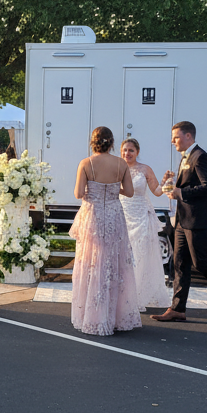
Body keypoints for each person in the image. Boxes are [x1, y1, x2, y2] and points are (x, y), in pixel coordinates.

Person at [152, 121, 207, 323]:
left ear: (188, 137)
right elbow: (186, 187)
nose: (172, 141)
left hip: (197, 220)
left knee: (200, 262)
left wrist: (182, 192)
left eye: (176, 137)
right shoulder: (187, 156)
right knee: (179, 263)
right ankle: (177, 308)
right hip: (183, 220)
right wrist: (172, 189)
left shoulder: (200, 157)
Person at [69, 126, 141, 335]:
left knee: (91, 261)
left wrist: (95, 188)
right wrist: (111, 188)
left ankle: (92, 315)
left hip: (92, 215)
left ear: (93, 142)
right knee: (114, 262)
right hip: (113, 214)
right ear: (111, 143)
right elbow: (128, 192)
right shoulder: (121, 164)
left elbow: (78, 193)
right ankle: (114, 316)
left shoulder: (86, 163)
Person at [119, 138, 173, 310]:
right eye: (125, 150)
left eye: (131, 150)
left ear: (137, 152)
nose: (127, 153)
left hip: (141, 216)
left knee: (140, 255)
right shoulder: (117, 168)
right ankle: (123, 294)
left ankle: (138, 295)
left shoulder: (144, 169)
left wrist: (164, 182)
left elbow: (157, 192)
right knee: (124, 255)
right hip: (122, 215)